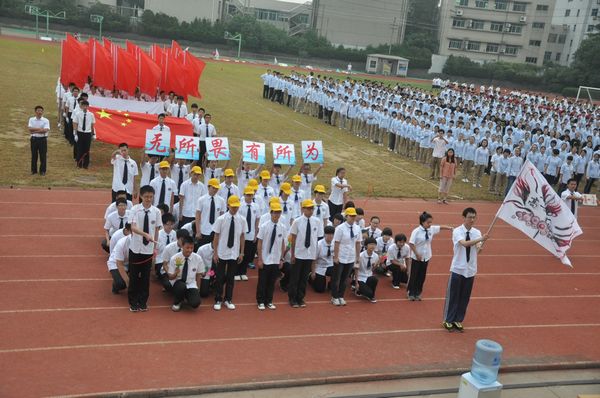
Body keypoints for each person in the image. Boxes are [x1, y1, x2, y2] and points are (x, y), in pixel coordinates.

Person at [442, 207, 489, 332]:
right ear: (464, 218)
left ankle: (458, 319)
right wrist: (481, 240)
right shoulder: (457, 231)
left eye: (474, 217)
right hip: (458, 268)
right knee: (453, 295)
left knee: (465, 297)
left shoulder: (477, 232)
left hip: (470, 270)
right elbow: (464, 244)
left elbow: (477, 248)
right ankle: (448, 319)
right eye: (469, 217)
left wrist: (480, 246)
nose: (472, 220)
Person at [128, 185, 163, 312]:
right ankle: (133, 303)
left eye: (151, 197)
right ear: (141, 196)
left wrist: (155, 247)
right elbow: (133, 227)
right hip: (136, 248)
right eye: (146, 196)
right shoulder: (135, 209)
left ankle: (143, 302)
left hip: (148, 250)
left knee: (145, 277)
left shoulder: (156, 212)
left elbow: (157, 230)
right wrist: (145, 235)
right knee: (134, 276)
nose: (148, 199)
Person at [408, 212, 452, 301]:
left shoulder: (431, 229)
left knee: (422, 276)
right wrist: (417, 254)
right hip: (416, 257)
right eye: (428, 222)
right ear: (422, 222)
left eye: (431, 222)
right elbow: (411, 243)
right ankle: (411, 292)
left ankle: (418, 292)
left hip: (426, 256)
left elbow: (440, 227)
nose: (430, 224)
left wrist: (450, 228)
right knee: (414, 275)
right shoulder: (416, 231)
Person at [212, 195, 245, 311]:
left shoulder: (241, 219)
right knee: (220, 277)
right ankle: (218, 299)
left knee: (231, 278)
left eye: (237, 207)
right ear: (228, 205)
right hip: (222, 252)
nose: (235, 209)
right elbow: (216, 236)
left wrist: (242, 252)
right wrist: (215, 253)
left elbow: (242, 236)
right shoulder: (221, 219)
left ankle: (228, 299)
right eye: (233, 207)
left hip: (234, 252)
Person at [288, 199, 322, 308]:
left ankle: (300, 297)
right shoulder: (297, 221)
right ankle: (292, 298)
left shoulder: (316, 221)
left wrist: (314, 255)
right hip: (298, 253)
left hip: (309, 253)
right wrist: (292, 254)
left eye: (312, 208)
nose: (310, 210)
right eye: (308, 208)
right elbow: (293, 239)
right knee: (295, 277)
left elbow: (316, 239)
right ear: (303, 209)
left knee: (304, 278)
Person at [255, 201, 288, 310]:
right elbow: (259, 242)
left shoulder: (282, 227)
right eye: (275, 212)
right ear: (271, 213)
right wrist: (260, 259)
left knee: (272, 281)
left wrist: (282, 258)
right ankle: (260, 301)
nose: (277, 215)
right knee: (262, 281)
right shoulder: (264, 226)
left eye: (279, 212)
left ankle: (269, 300)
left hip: (275, 259)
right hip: (265, 259)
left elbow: (283, 243)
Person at [331, 207, 362, 306]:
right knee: (337, 278)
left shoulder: (357, 228)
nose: (353, 217)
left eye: (354, 215)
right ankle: (334, 296)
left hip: (350, 257)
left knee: (344, 279)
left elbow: (358, 243)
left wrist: (357, 256)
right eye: (351, 216)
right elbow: (336, 243)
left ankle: (341, 296)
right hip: (341, 256)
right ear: (346, 216)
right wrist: (336, 257)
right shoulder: (340, 228)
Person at [167, 236, 206, 311]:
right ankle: (177, 302)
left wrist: (197, 290)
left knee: (195, 303)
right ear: (182, 246)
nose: (190, 250)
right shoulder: (174, 258)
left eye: (192, 248)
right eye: (187, 247)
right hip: (178, 283)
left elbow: (198, 275)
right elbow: (170, 277)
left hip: (191, 284)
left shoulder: (197, 258)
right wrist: (175, 272)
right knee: (181, 286)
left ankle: (186, 296)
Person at [237, 187, 259, 281]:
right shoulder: (240, 206)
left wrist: (256, 233)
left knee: (248, 254)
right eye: (248, 195)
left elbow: (257, 219)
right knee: (239, 252)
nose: (250, 196)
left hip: (251, 233)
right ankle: (236, 272)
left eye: (251, 195)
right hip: (242, 234)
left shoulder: (256, 206)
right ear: (244, 195)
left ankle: (243, 272)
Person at [195, 178, 226, 247]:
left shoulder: (221, 201)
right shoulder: (201, 200)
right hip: (204, 231)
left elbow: (222, 217)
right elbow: (198, 216)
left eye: (216, 188)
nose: (215, 190)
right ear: (208, 187)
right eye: (213, 188)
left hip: (215, 231)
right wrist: (198, 231)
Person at [106, 225, 131, 294]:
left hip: (129, 262)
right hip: (116, 263)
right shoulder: (121, 242)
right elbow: (119, 264)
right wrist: (127, 281)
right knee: (122, 283)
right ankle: (115, 285)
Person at [353, 237, 379, 303]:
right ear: (366, 245)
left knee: (374, 279)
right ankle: (357, 288)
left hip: (368, 276)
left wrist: (375, 266)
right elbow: (356, 269)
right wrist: (356, 283)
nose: (372, 246)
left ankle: (371, 295)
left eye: (374, 244)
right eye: (370, 244)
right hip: (360, 277)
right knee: (368, 292)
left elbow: (373, 270)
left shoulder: (376, 256)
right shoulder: (360, 256)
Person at [311, 225, 335, 293]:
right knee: (320, 290)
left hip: (330, 265)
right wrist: (313, 272)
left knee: (337, 271)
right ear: (325, 234)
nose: (331, 236)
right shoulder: (319, 244)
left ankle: (331, 285)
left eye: (332, 234)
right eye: (328, 234)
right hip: (320, 267)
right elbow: (314, 259)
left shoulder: (334, 243)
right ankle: (310, 278)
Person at [72, 100, 95, 169]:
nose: (85, 107)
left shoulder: (91, 115)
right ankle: (79, 164)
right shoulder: (78, 114)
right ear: (81, 106)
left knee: (87, 149)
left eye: (86, 106)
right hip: (80, 133)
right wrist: (75, 134)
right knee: (80, 149)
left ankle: (86, 165)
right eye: (83, 106)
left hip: (87, 133)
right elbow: (75, 123)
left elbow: (92, 125)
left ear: (88, 106)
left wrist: (93, 134)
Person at [28, 105, 50, 176]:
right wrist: (40, 129)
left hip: (42, 139)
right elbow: (30, 129)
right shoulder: (31, 119)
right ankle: (33, 171)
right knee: (34, 155)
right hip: (34, 139)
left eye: (41, 111)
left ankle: (42, 171)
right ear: (35, 112)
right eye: (38, 111)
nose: (40, 112)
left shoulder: (46, 120)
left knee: (43, 156)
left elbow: (45, 130)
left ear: (42, 112)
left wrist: (34, 131)